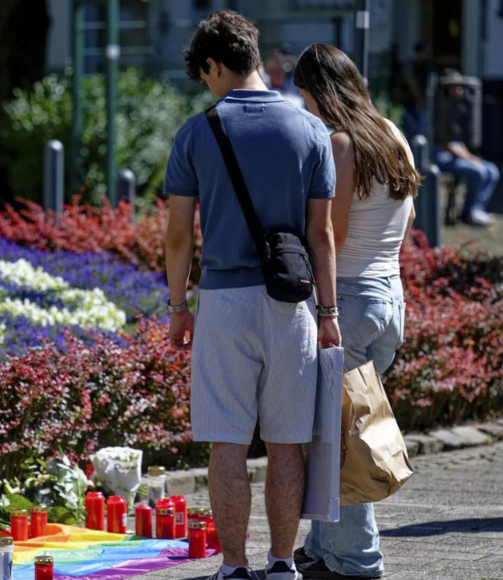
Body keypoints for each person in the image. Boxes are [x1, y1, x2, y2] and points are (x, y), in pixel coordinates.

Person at [164, 11, 341, 580]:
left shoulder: (196, 133)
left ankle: (235, 568)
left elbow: (177, 236)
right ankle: (283, 562)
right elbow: (322, 235)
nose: (207, 86)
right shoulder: (311, 131)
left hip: (223, 300)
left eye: (205, 75)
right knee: (288, 443)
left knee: (227, 443)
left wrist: (176, 307)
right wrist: (330, 313)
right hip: (294, 304)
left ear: (214, 64)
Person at [291, 44, 421, 580]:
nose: (302, 108)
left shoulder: (341, 145)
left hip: (348, 301)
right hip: (388, 297)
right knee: (336, 430)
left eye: (303, 97)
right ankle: (325, 549)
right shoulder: (392, 134)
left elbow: (332, 236)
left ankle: (357, 562)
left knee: (343, 441)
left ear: (318, 93)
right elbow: (405, 224)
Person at [435, 69, 499, 228]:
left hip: (457, 156)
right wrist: (469, 159)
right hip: (440, 158)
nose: (460, 90)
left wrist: (471, 157)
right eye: (456, 87)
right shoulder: (439, 109)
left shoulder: (457, 108)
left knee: (492, 170)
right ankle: (469, 212)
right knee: (478, 172)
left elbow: (458, 141)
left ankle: (478, 208)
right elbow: (445, 143)